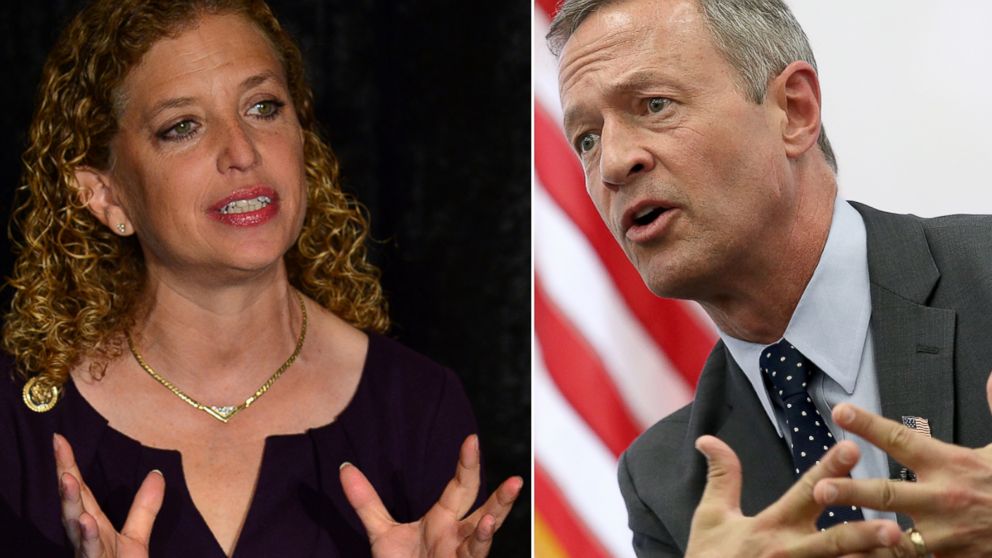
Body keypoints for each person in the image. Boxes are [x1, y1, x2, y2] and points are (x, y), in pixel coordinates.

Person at [0, 0, 522, 556]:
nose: (242, 151)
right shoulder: (19, 420)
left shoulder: (417, 405)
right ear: (105, 195)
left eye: (263, 107)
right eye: (182, 127)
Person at [548, 0, 992, 556]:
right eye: (586, 139)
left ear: (794, 111)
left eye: (654, 104)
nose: (613, 163)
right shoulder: (666, 485)